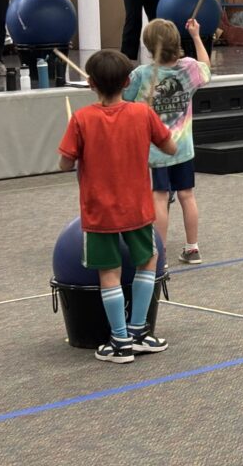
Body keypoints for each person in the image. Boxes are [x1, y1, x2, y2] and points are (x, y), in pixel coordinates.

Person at [57, 49, 176, 363]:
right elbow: (171, 146)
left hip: (99, 212)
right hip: (137, 207)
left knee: (108, 273)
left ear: (91, 84)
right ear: (127, 81)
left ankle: (120, 341)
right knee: (147, 260)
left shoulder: (82, 119)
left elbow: (63, 164)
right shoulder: (142, 113)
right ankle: (140, 332)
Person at [124, 18, 211, 263]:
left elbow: (121, 95)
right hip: (182, 149)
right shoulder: (189, 68)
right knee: (187, 195)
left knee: (159, 197)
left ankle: (159, 252)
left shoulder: (142, 75)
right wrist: (196, 36)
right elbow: (207, 67)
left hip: (155, 151)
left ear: (150, 47)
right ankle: (192, 247)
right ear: (176, 42)